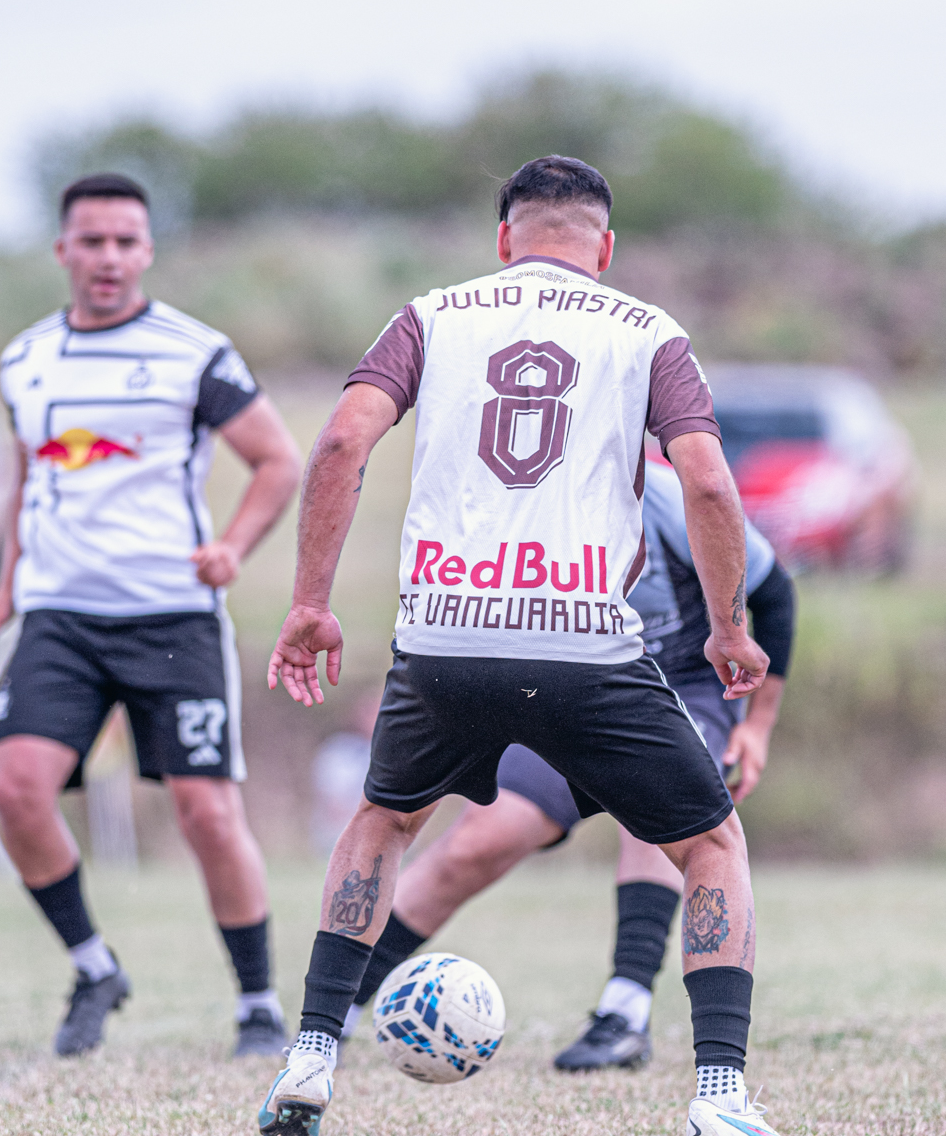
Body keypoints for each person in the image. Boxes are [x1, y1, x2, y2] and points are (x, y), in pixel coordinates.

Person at [259, 155, 820, 1136]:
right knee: (710, 843)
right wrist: (727, 626)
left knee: (384, 821)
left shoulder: (431, 315)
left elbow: (340, 442)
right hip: (584, 642)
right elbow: (706, 482)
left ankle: (309, 1052)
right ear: (604, 248)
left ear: (503, 239)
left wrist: (308, 605)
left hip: (444, 637)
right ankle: (721, 1097)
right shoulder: (646, 330)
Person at [0, 173, 302, 1059]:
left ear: (147, 250)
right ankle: (93, 965)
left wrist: (232, 546)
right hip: (60, 615)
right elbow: (31, 479)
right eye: (93, 241)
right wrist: (6, 588)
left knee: (206, 812)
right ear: (63, 251)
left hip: (171, 618)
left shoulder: (195, 352)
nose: (109, 257)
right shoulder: (26, 359)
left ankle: (258, 1006)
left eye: (125, 241)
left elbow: (278, 460)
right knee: (15, 787)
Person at [340, 457, 795, 1073]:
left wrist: (757, 728)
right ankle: (343, 1005)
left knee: (659, 819)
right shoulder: (522, 502)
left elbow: (774, 594)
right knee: (480, 840)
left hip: (684, 685)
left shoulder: (667, 497)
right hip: (578, 688)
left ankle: (624, 1013)